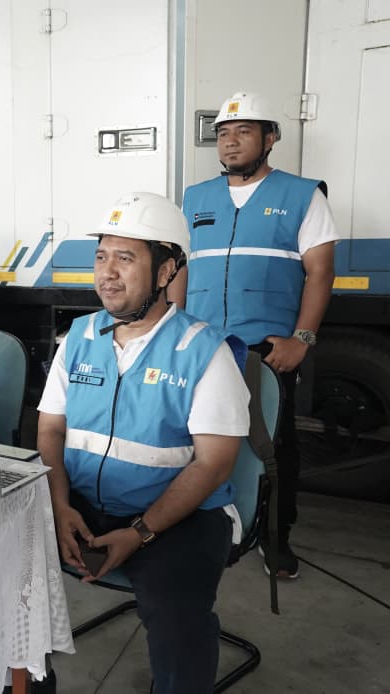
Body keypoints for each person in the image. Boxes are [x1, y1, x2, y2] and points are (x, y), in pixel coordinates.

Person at [37, 192, 250, 694]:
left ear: (166, 270)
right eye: (100, 257)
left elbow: (213, 465)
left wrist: (139, 533)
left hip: (178, 518)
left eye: (125, 258)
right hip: (80, 505)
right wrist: (59, 506)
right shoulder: (78, 338)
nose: (107, 273)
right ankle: (27, 681)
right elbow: (50, 430)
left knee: (178, 620)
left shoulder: (203, 351)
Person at [176, 91, 338, 580]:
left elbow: (321, 272)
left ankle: (274, 537)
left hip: (265, 351)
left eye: (243, 132)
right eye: (223, 134)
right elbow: (182, 269)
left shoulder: (302, 195)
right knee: (193, 439)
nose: (230, 142)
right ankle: (195, 523)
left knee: (272, 448)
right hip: (203, 346)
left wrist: (302, 339)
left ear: (270, 139)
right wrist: (173, 330)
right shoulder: (195, 198)